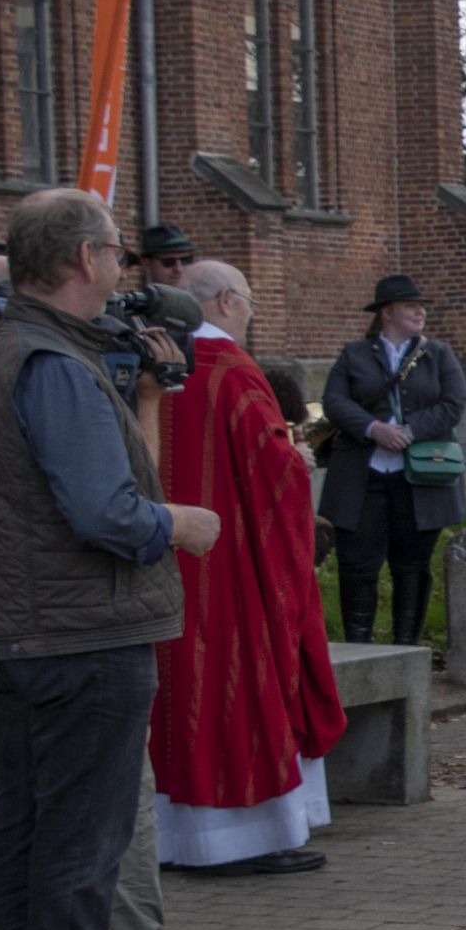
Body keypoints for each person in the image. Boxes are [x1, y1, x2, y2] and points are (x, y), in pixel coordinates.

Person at [0, 188, 224, 930]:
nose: (122, 265)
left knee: (28, 836)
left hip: (23, 631)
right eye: (113, 249)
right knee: (77, 842)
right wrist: (178, 522)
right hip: (74, 635)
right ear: (80, 260)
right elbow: (105, 512)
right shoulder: (52, 364)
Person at [151, 260, 346, 877]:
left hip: (162, 559)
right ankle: (241, 837)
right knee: (233, 685)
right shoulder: (233, 371)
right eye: (252, 302)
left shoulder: (154, 370)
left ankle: (169, 839)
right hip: (231, 564)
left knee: (175, 694)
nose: (252, 314)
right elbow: (273, 467)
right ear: (228, 301)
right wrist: (297, 460)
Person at [319, 275, 466, 645]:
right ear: (387, 312)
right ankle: (358, 651)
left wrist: (408, 430)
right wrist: (373, 429)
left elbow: (452, 405)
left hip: (419, 477)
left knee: (413, 567)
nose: (420, 311)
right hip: (362, 476)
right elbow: (335, 401)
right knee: (357, 567)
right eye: (410, 305)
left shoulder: (439, 355)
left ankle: (407, 651)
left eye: (421, 306)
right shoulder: (354, 354)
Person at [136, 223, 195, 290]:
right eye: (169, 262)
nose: (179, 269)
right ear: (146, 264)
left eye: (186, 260)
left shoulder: (204, 299)